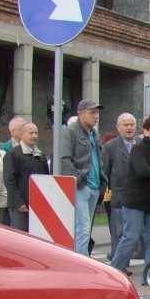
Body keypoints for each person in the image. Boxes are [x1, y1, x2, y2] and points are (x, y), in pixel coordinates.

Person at [110, 114, 150, 281]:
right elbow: (142, 170)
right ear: (146, 131)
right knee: (131, 237)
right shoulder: (138, 149)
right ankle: (114, 270)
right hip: (134, 202)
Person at [59, 99, 107, 256]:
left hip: (94, 186)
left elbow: (99, 160)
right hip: (81, 187)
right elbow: (64, 160)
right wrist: (78, 181)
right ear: (80, 114)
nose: (96, 116)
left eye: (97, 112)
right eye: (92, 112)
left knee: (85, 229)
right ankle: (81, 264)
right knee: (83, 229)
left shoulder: (94, 134)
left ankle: (80, 260)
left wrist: (102, 183)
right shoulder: (70, 132)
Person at [103, 113, 138, 260]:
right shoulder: (110, 146)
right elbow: (106, 171)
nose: (129, 128)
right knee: (119, 233)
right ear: (118, 127)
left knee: (134, 232)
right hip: (119, 196)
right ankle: (119, 263)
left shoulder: (140, 145)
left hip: (137, 196)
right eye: (126, 125)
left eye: (131, 125)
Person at [3, 122, 48, 231]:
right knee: (20, 236)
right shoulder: (13, 154)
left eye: (36, 133)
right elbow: (9, 181)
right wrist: (19, 202)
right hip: (20, 206)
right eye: (30, 133)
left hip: (37, 204)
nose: (34, 136)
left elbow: (46, 178)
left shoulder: (40, 155)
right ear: (22, 135)